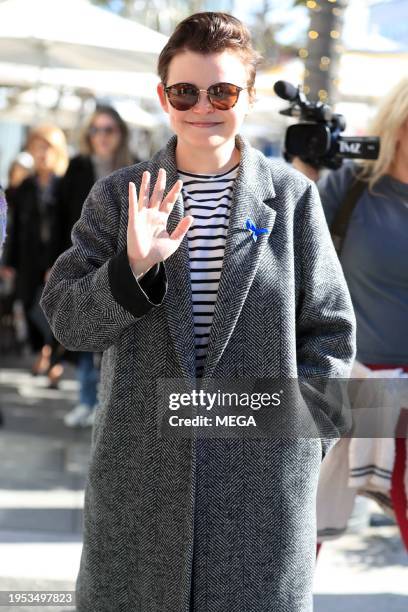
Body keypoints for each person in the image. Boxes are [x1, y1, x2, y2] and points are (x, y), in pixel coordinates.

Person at [40, 12, 356, 612]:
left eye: (223, 91)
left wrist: (300, 441)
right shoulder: (119, 195)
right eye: (185, 91)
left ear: (248, 97)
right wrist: (131, 269)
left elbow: (332, 335)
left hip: (261, 489)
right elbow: (68, 322)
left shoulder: (291, 200)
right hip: (142, 483)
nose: (203, 106)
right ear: (163, 96)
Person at [293, 77, 408, 552]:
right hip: (344, 382)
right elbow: (287, 239)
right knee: (297, 537)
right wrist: (302, 172)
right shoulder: (353, 187)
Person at [55, 105, 134, 428]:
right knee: (88, 335)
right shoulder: (77, 167)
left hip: (126, 263)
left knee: (119, 339)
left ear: (120, 133)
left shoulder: (136, 166)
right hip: (83, 262)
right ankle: (86, 400)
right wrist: (57, 263)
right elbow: (61, 218)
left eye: (108, 130)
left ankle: (108, 407)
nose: (101, 137)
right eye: (95, 130)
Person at [2, 125, 68, 383]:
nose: (42, 154)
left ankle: (53, 361)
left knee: (56, 311)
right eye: (37, 147)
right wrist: (9, 261)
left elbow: (70, 225)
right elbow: (14, 226)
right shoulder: (26, 186)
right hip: (29, 260)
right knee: (30, 306)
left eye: (48, 148)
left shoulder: (64, 185)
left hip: (58, 258)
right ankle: (45, 352)